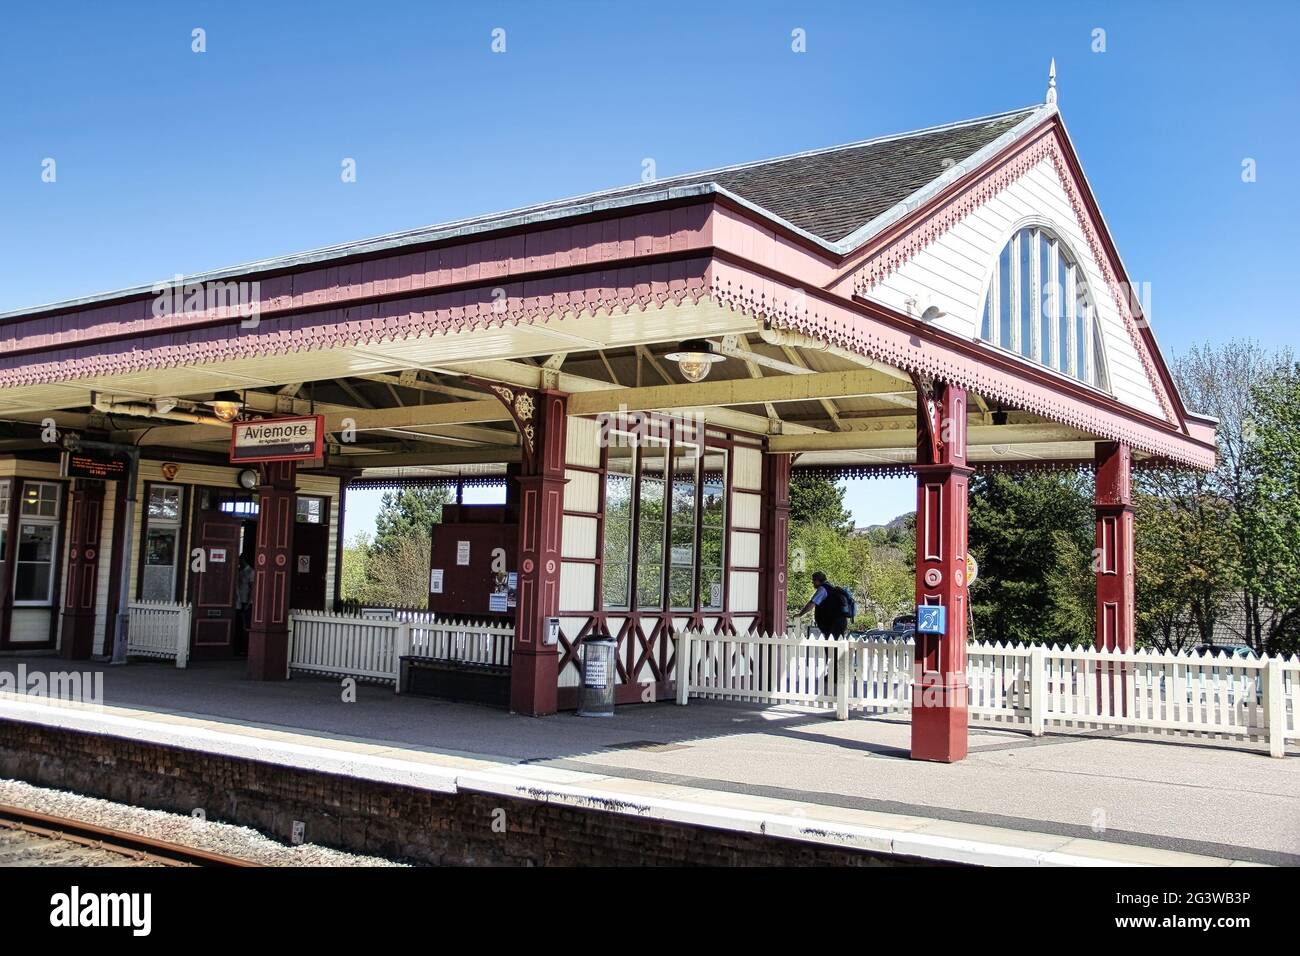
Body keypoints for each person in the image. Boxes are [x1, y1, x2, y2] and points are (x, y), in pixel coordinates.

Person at [796, 571, 852, 637]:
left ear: (817, 580)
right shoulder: (831, 588)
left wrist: (800, 614)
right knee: (836, 643)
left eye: (813, 580)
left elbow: (812, 603)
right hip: (840, 622)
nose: (812, 582)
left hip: (832, 623)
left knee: (831, 644)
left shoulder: (823, 589)